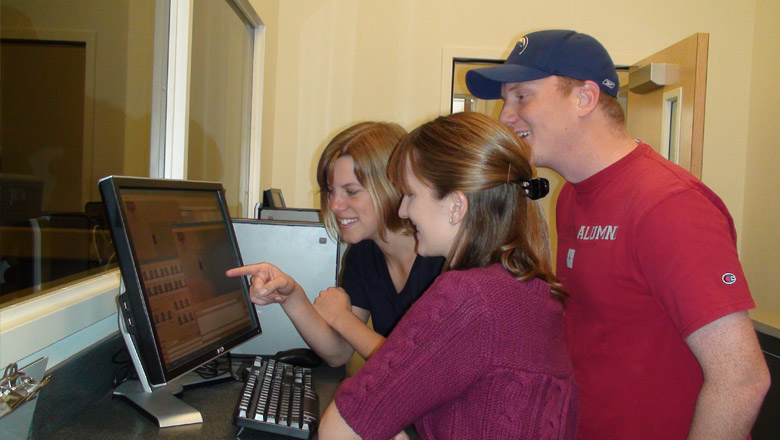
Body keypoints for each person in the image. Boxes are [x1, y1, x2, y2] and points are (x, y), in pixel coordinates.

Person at [465, 29, 770, 439]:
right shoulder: (571, 196)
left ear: (584, 98)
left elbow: (742, 380)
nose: (505, 115)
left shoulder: (668, 204)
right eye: (505, 99)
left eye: (521, 96)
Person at [318, 111, 578, 440]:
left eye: (411, 194)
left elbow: (339, 430)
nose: (402, 210)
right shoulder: (529, 288)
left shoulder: (468, 297)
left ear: (456, 206)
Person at [227, 122, 443, 367]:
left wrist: (341, 317)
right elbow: (338, 352)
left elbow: (415, 368)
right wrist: (291, 296)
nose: (335, 206)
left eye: (351, 191)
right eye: (331, 191)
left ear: (393, 188)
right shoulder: (364, 253)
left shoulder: (442, 259)